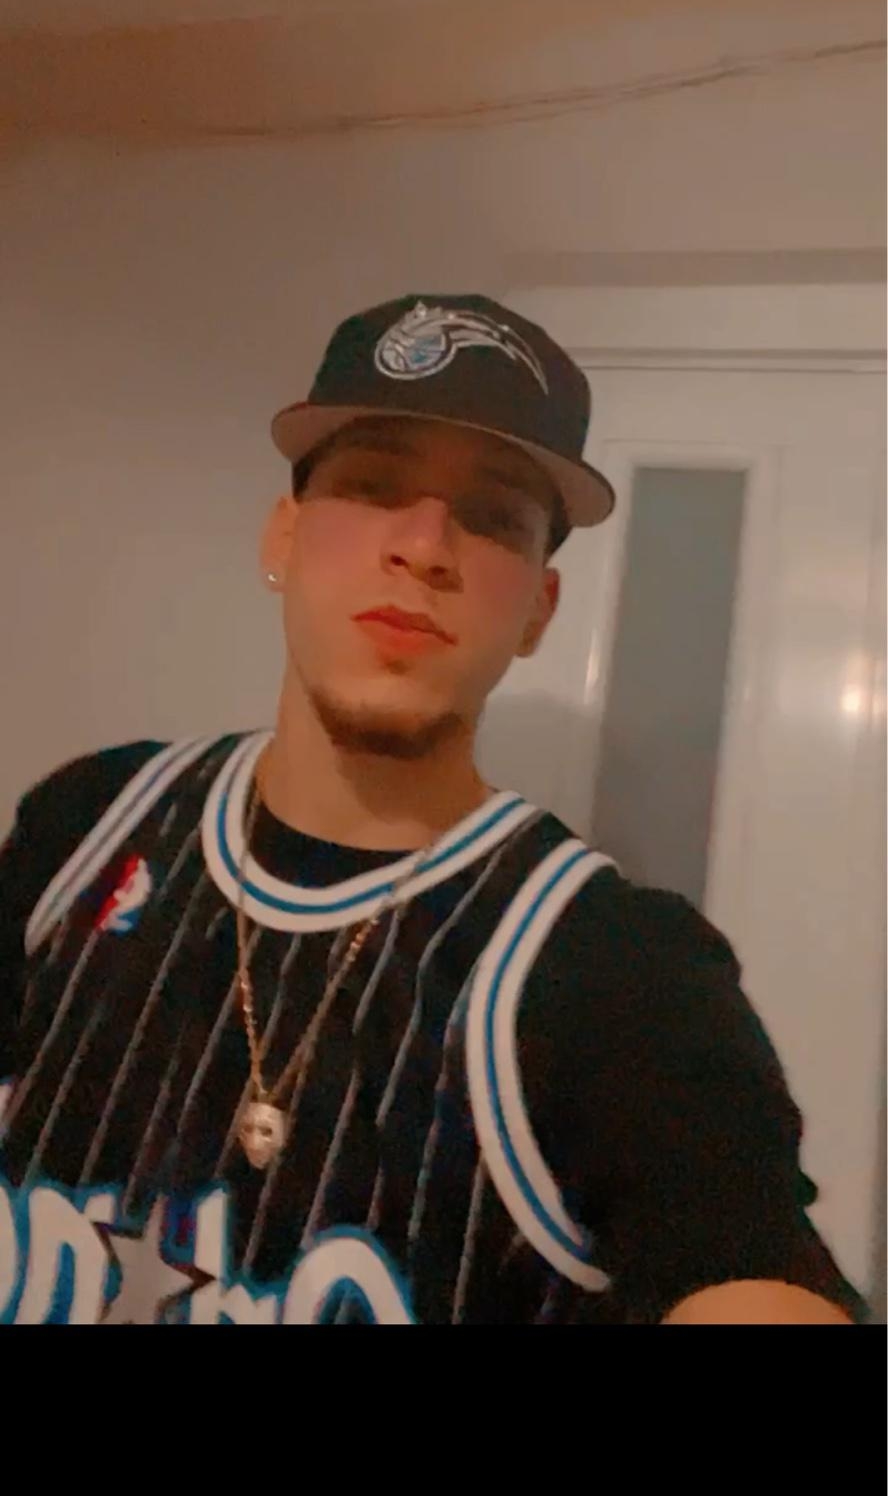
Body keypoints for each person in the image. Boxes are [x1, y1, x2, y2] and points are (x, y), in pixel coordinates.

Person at [0, 293, 864, 1326]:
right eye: (374, 484)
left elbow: (751, 1264)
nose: (425, 546)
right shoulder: (89, 825)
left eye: (492, 515)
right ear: (283, 536)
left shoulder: (614, 970)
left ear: (539, 610)